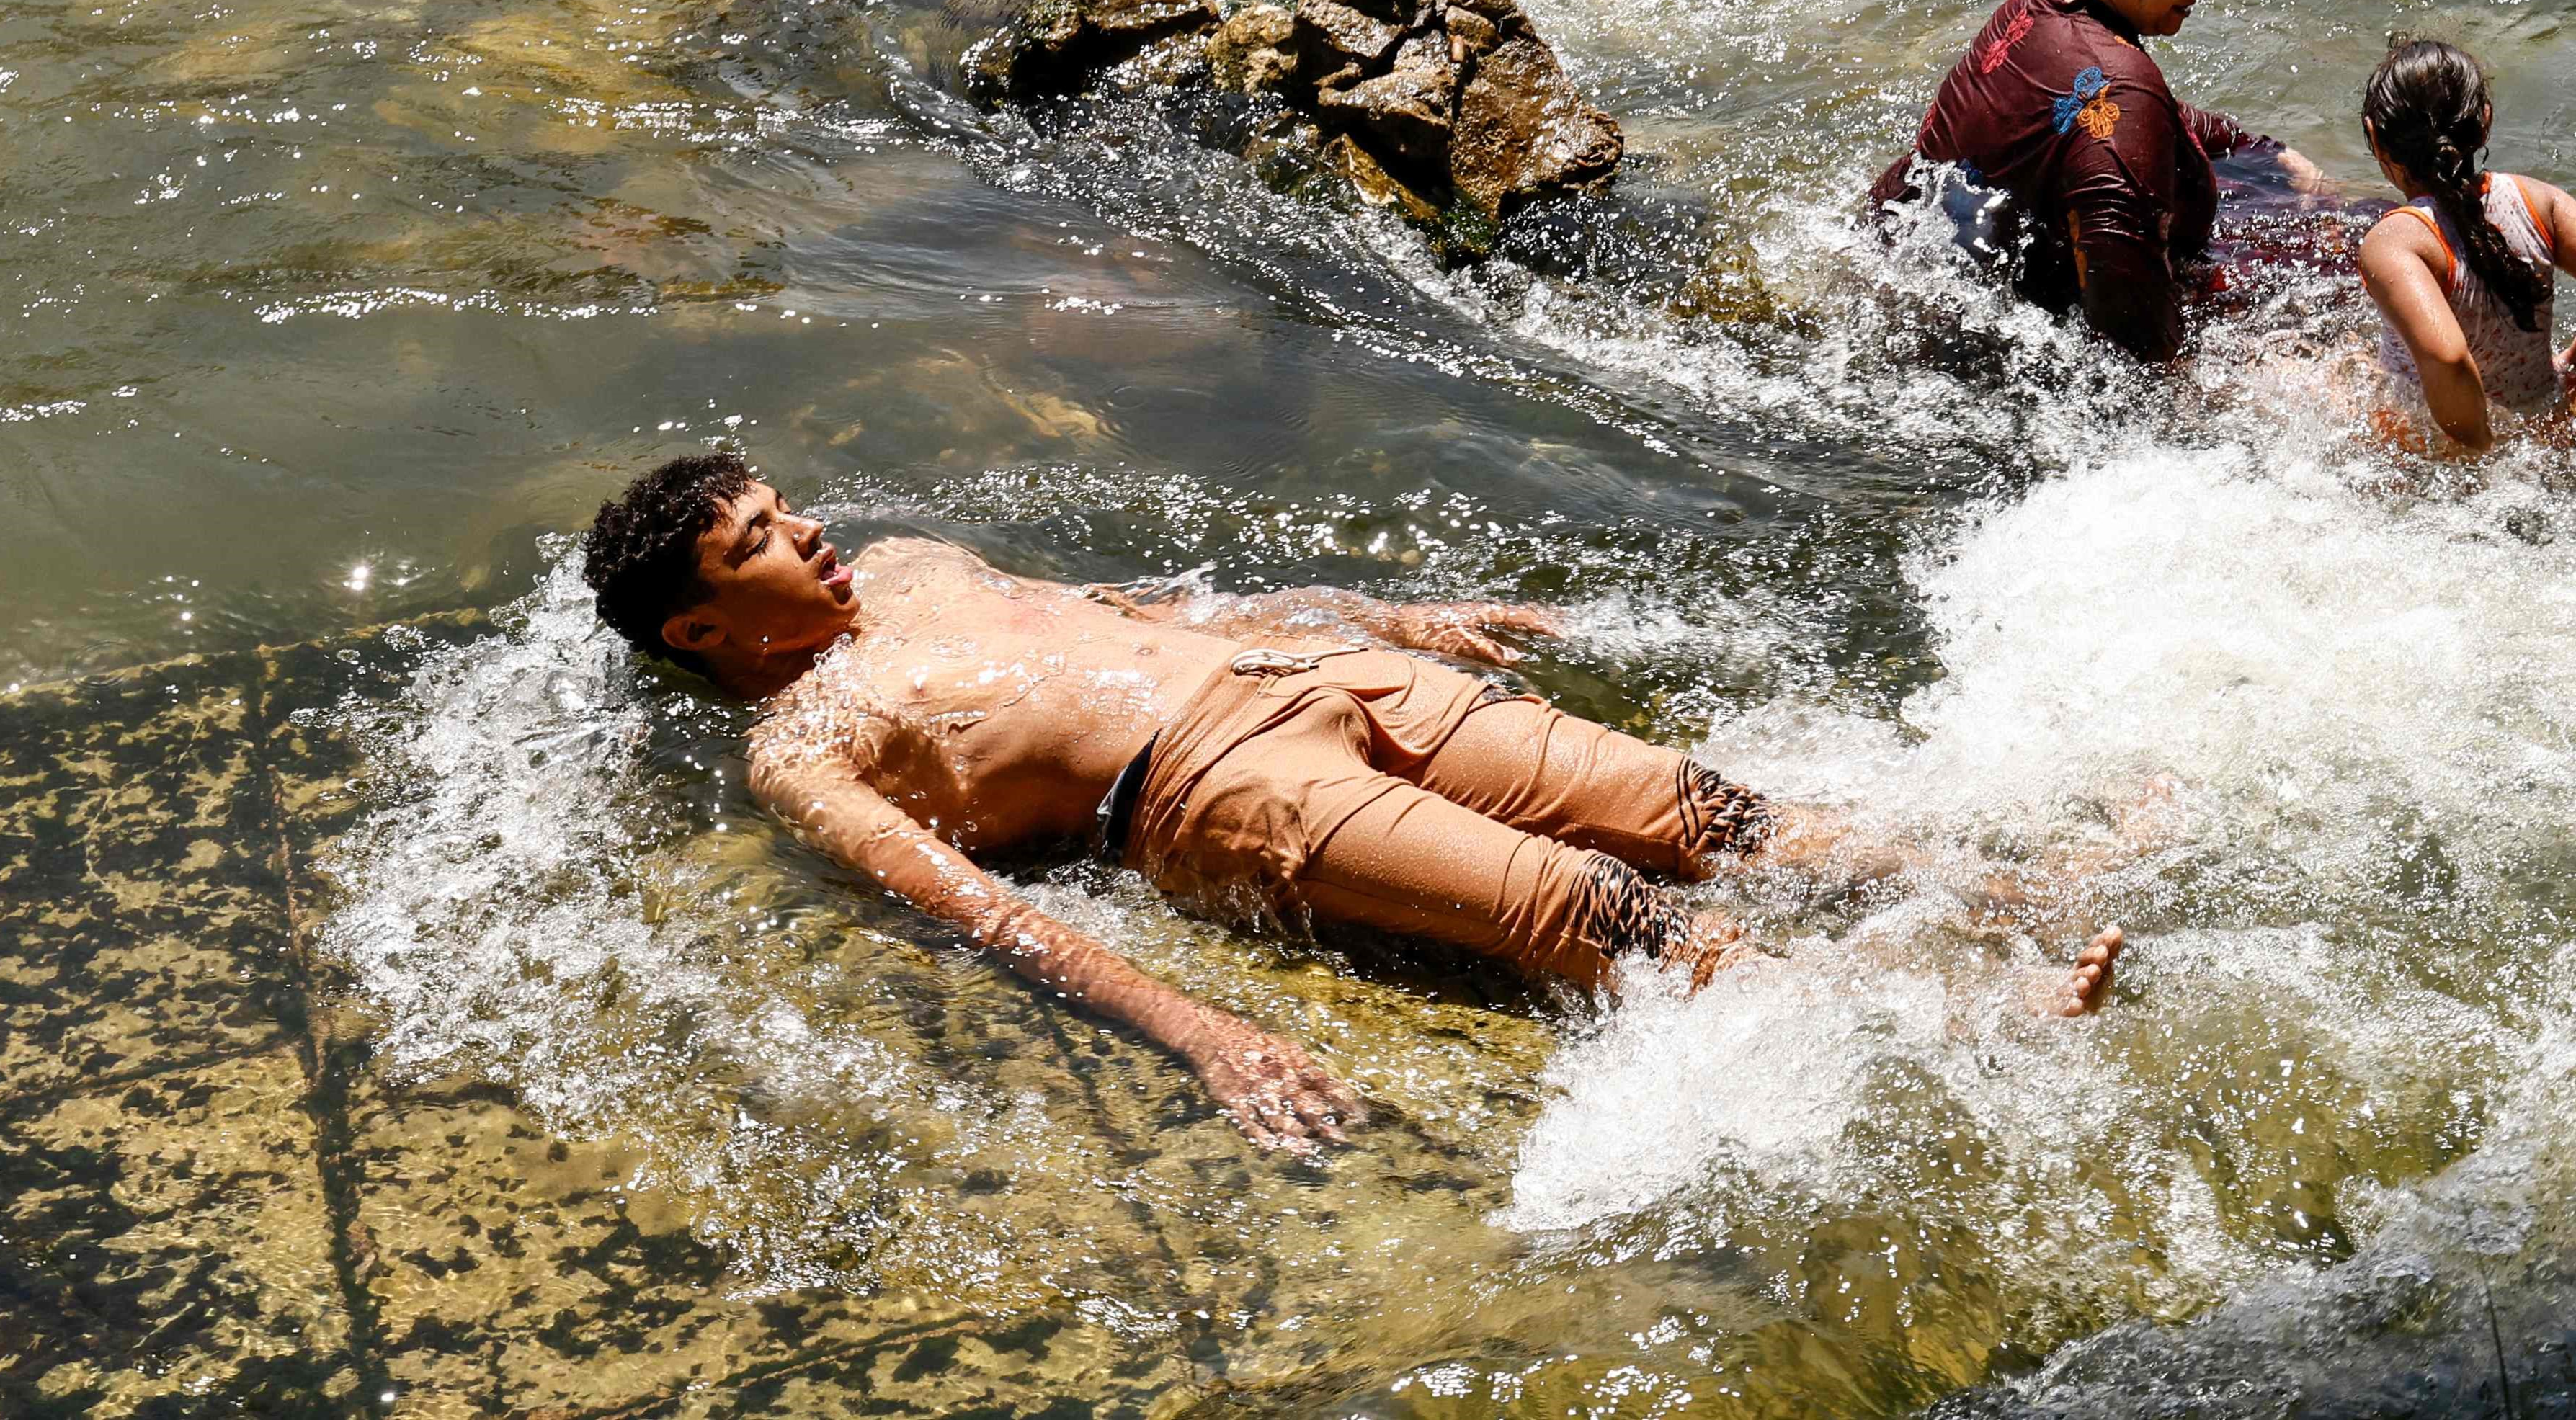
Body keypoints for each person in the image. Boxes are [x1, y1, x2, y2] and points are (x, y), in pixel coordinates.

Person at [585, 456, 2126, 1153]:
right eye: (767, 545)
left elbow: (1142, 602)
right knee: (1588, 910)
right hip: (1214, 789)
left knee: (1701, 807)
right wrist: (1204, 1032)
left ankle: (2017, 887)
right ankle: (1967, 1019)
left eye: (789, 511)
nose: (818, 536)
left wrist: (1378, 610)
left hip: (1300, 670)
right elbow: (981, 914)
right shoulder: (803, 748)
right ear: (704, 633)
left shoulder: (913, 563)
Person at [1868, 0, 2317, 365]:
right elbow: (2122, 288)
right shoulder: (2121, 87)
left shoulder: (2042, 3)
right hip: (2004, 342)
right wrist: (2177, 386)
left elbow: (2098, 107)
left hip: (1924, 265)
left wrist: (2255, 149)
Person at [2352, 38, 2576, 455]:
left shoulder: (2397, 241)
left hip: (2441, 447)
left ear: (2376, 138)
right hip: (2540, 418)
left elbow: (2449, 360)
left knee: (2313, 372)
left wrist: (2480, 449)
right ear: (2485, 121)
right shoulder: (2537, 201)